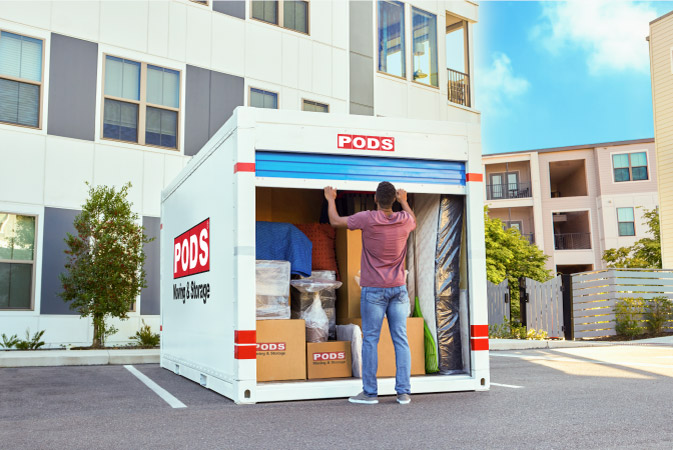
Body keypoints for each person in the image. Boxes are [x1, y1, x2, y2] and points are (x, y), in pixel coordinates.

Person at [324, 182, 416, 405]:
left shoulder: (367, 218)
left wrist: (330, 198)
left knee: (371, 340)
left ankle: (370, 393)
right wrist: (404, 200)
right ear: (393, 199)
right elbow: (413, 219)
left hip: (374, 290)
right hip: (398, 289)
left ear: (375, 198)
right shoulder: (405, 220)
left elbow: (335, 221)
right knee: (401, 340)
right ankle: (403, 393)